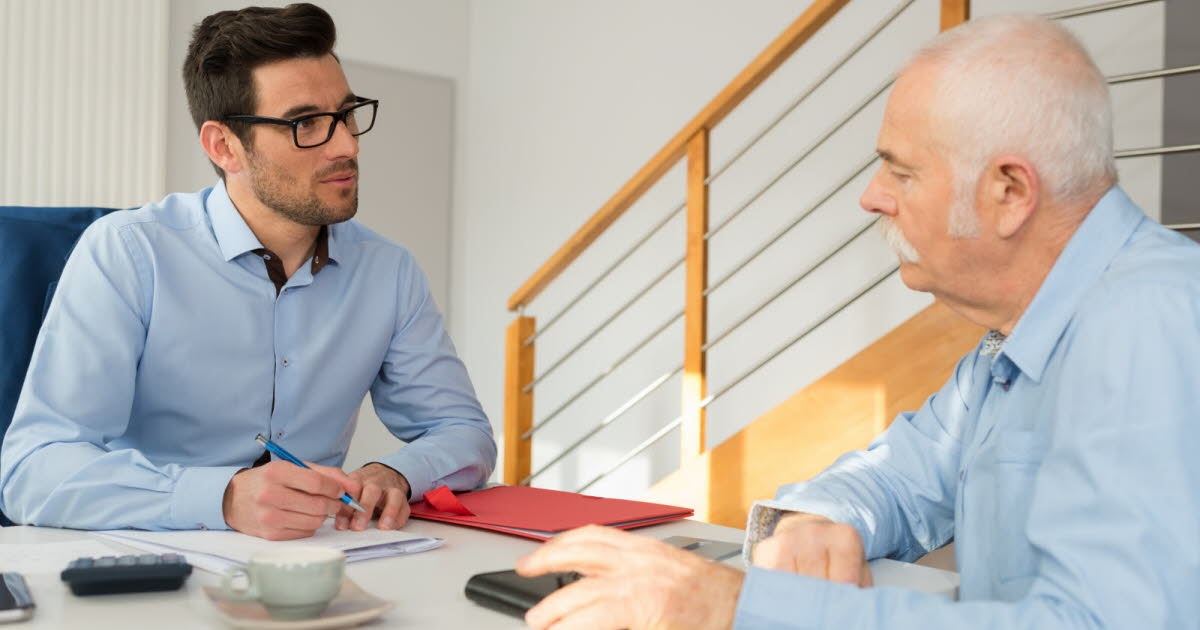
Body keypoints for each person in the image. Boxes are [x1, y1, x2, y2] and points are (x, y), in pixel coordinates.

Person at [515, 14, 1200, 629]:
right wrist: (822, 519)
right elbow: (898, 476)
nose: (872, 199)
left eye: (901, 173)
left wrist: (731, 607)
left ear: (1009, 192)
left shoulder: (1149, 323)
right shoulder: (1006, 352)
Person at [0, 3, 496, 541]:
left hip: (314, 565)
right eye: (306, 124)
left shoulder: (389, 271)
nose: (347, 145)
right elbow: (33, 471)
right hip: (152, 563)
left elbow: (463, 432)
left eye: (347, 114)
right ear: (224, 147)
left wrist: (396, 472)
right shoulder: (129, 252)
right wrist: (224, 497)